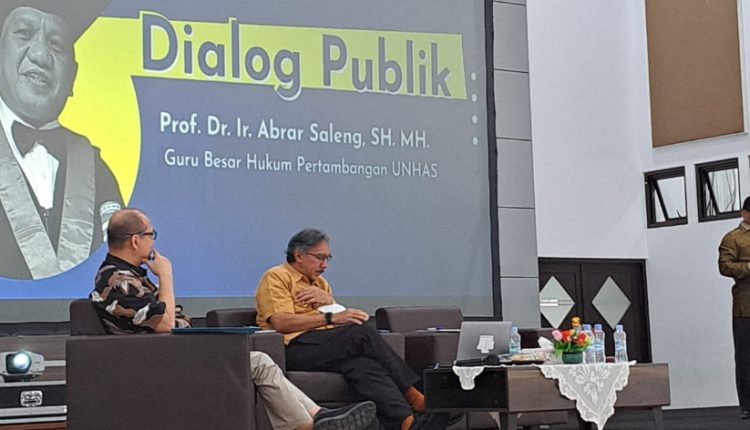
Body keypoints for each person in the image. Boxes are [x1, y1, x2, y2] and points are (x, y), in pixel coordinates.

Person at [89, 209, 376, 430]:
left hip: (173, 352)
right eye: (152, 235)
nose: (154, 241)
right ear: (136, 240)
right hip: (157, 361)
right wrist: (166, 275)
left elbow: (169, 319)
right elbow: (164, 324)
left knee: (259, 360)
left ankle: (317, 417)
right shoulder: (116, 280)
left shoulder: (133, 277)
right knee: (256, 362)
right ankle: (312, 424)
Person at [256, 228, 444, 430]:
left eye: (328, 258)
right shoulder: (277, 276)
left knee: (362, 366)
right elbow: (281, 323)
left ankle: (406, 423)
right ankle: (415, 394)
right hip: (291, 349)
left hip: (323, 347)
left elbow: (337, 323)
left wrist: (330, 303)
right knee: (361, 332)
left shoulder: (320, 283)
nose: (325, 265)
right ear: (299, 255)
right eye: (319, 258)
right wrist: (330, 316)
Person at [0, 1, 123, 280]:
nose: (41, 56)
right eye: (23, 34)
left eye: (56, 45)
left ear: (72, 78)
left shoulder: (96, 169)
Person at [719, 196, 750, 420]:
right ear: (744, 213)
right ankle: (747, 405)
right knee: (746, 357)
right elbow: (725, 266)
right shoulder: (733, 238)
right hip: (745, 308)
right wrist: (748, 267)